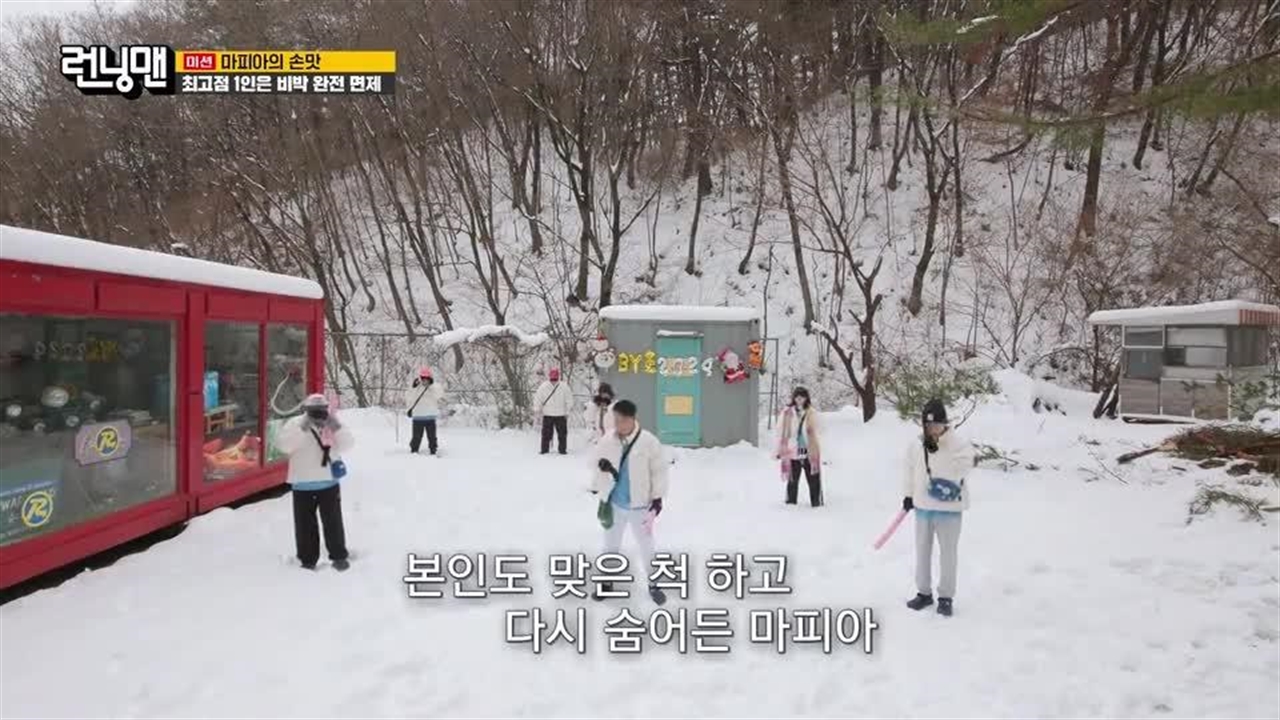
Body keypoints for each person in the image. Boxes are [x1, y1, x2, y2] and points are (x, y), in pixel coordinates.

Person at [590, 399, 670, 605]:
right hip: (615, 503)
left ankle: (654, 583)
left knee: (647, 546)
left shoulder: (648, 441)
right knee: (610, 544)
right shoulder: (608, 440)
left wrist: (657, 499)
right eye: (616, 420)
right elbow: (593, 464)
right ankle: (607, 582)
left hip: (640, 506)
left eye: (623, 420)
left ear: (633, 419)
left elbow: (659, 472)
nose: (619, 425)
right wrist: (602, 468)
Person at [902, 398, 975, 617]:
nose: (932, 428)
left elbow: (964, 466)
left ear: (945, 423)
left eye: (936, 424)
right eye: (928, 424)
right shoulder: (916, 445)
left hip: (949, 509)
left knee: (948, 553)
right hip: (923, 507)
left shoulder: (958, 444)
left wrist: (943, 447)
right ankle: (923, 592)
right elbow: (909, 471)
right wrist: (908, 495)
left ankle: (946, 597)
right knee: (922, 551)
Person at [276, 394, 356, 571]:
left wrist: (335, 426)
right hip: (303, 483)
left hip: (328, 481)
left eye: (322, 409)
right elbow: (284, 446)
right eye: (314, 410)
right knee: (305, 525)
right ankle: (307, 559)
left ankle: (338, 556)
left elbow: (348, 444)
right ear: (306, 410)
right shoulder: (296, 423)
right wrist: (303, 427)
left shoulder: (331, 423)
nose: (318, 413)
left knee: (333, 523)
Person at [775, 386, 823, 507]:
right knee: (793, 479)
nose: (800, 399)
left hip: (810, 450)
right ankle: (791, 503)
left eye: (802, 396)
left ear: (806, 398)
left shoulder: (812, 412)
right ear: (794, 398)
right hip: (792, 450)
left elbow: (819, 432)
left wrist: (822, 451)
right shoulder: (787, 413)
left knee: (813, 478)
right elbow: (780, 432)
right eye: (797, 397)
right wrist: (778, 450)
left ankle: (816, 503)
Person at [405, 367, 444, 455]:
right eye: (423, 378)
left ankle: (433, 450)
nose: (425, 381)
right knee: (416, 437)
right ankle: (414, 450)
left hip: (430, 417)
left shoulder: (434, 388)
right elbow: (409, 398)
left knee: (432, 437)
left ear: (430, 379)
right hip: (418, 417)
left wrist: (431, 386)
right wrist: (413, 387)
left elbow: (439, 395)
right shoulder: (416, 388)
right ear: (420, 378)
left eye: (427, 378)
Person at [533, 367, 573, 454]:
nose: (553, 381)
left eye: (555, 379)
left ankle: (561, 450)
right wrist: (537, 409)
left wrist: (567, 411)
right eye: (552, 379)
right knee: (547, 434)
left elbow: (569, 400)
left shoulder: (564, 386)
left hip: (560, 414)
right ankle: (545, 450)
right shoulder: (544, 387)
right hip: (549, 414)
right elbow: (538, 399)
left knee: (561, 434)